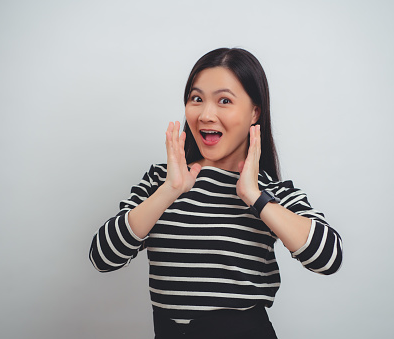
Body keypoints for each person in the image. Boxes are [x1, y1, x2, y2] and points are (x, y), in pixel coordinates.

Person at [89, 48, 343, 339]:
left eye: (224, 101)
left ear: (254, 112)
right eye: (197, 99)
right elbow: (103, 257)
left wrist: (254, 196)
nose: (206, 114)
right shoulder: (161, 180)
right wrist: (169, 191)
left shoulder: (270, 191)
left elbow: (329, 258)